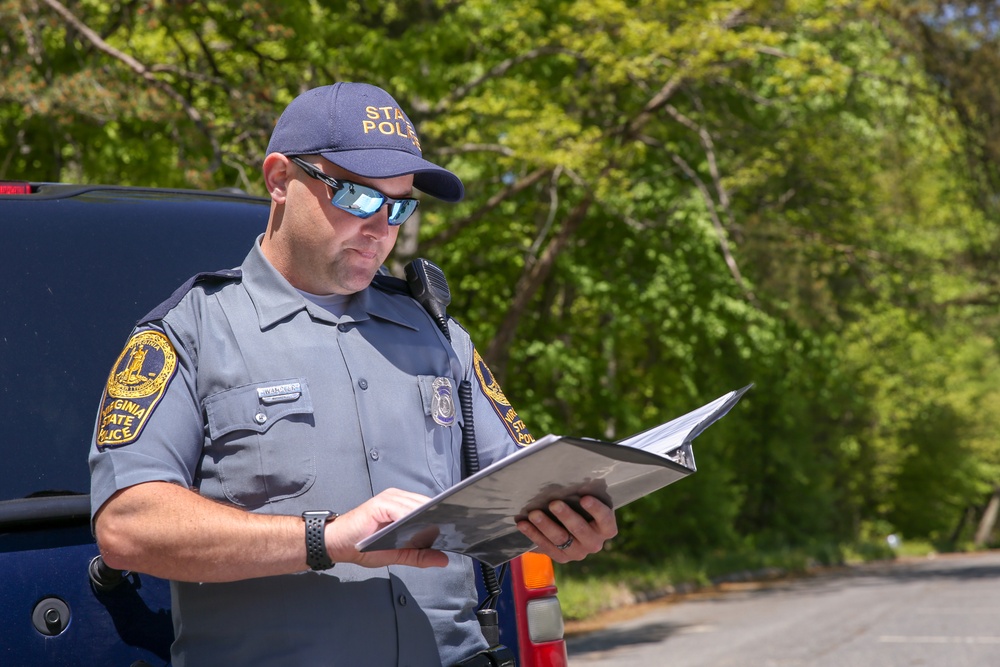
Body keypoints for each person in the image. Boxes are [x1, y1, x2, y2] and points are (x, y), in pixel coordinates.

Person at [89, 82, 618, 667]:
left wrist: (568, 523)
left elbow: (520, 483)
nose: (382, 229)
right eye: (360, 199)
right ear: (278, 179)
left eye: (399, 206)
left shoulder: (437, 332)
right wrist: (324, 539)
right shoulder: (188, 333)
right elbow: (128, 523)